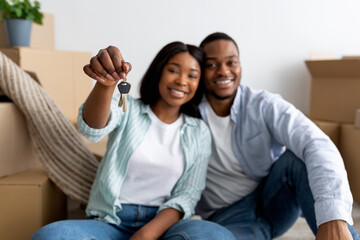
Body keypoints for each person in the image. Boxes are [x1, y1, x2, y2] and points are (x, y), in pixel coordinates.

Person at [31, 42, 236, 240]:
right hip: (110, 221)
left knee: (217, 236)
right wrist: (106, 85)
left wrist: (145, 235)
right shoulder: (128, 108)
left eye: (192, 75)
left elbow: (188, 194)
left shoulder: (199, 131)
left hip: (165, 225)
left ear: (199, 84)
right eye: (173, 70)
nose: (182, 81)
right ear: (158, 72)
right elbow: (92, 129)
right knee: (51, 236)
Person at [194, 32, 360, 240]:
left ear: (240, 66)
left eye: (231, 62)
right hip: (228, 216)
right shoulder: (188, 114)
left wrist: (334, 218)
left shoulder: (262, 104)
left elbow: (317, 143)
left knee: (296, 160)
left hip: (272, 198)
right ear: (200, 70)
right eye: (211, 64)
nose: (223, 71)